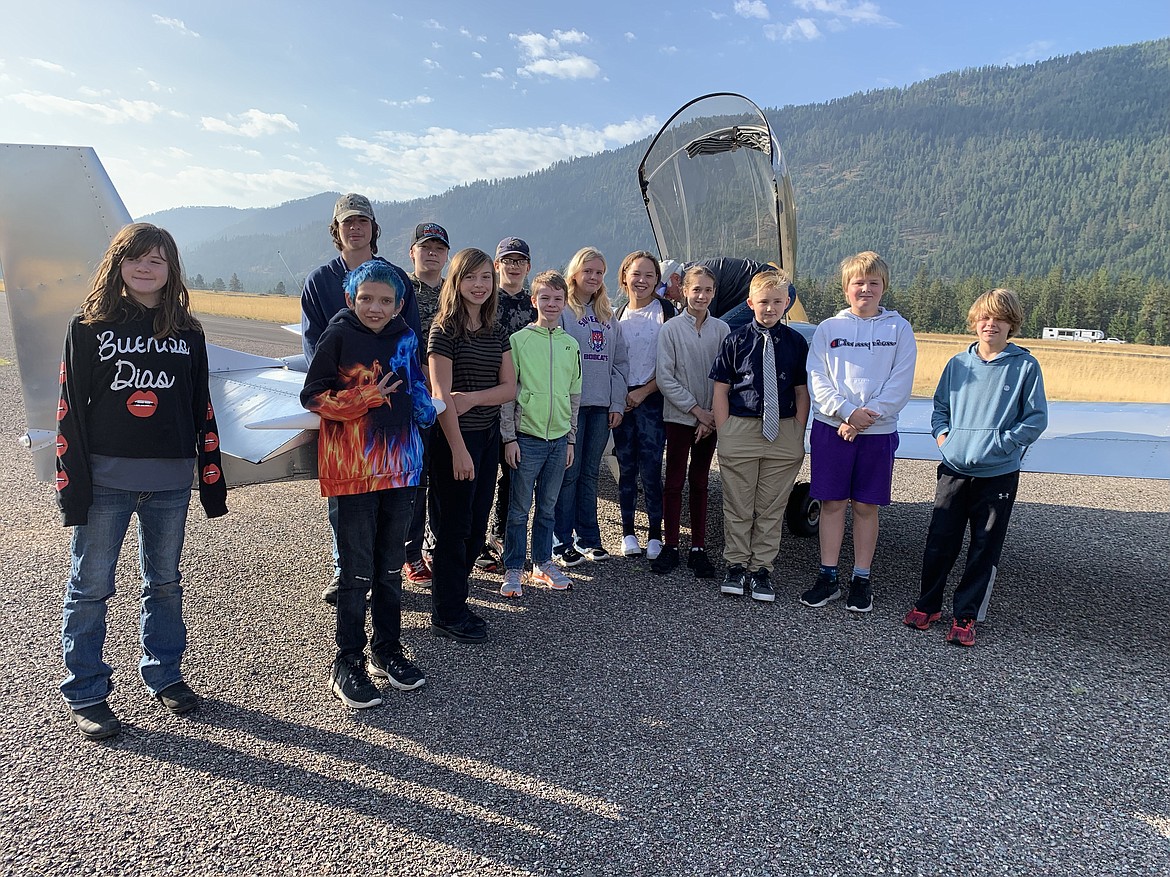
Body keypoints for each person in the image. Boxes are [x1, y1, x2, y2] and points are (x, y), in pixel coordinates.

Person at [55, 222, 228, 741]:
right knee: (90, 587)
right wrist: (74, 485)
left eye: (158, 260)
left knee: (165, 584)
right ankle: (86, 689)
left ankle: (165, 673)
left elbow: (201, 404)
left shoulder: (188, 333)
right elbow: (70, 412)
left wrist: (208, 477)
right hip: (106, 480)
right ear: (118, 264)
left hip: (170, 482)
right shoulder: (87, 328)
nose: (147, 268)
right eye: (137, 258)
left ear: (171, 269)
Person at [301, 260, 436, 708]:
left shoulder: (406, 335)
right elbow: (314, 395)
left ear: (400, 304)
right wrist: (364, 398)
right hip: (354, 469)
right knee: (356, 571)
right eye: (366, 299)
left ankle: (387, 649)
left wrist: (423, 406)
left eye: (385, 300)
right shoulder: (338, 335)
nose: (375, 308)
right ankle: (348, 661)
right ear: (349, 300)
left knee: (391, 566)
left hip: (401, 467)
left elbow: (414, 380)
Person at [905, 288, 1047, 646]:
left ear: (1011, 324)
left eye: (999, 318)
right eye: (984, 317)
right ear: (974, 322)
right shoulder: (958, 364)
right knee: (940, 540)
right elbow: (940, 408)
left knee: (984, 546)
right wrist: (944, 439)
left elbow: (1035, 420)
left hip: (997, 474)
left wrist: (1001, 444)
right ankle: (928, 605)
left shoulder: (1025, 366)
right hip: (953, 468)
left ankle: (965, 616)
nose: (990, 324)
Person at [301, 194, 421, 605]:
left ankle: (390, 574)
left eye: (362, 222)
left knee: (392, 505)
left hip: (390, 415)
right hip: (347, 412)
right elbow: (314, 346)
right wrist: (349, 393)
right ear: (337, 230)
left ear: (373, 228)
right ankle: (347, 571)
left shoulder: (394, 276)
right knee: (347, 503)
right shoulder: (320, 281)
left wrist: (414, 397)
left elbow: (410, 342)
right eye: (347, 223)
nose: (355, 228)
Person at [800, 252, 917, 614]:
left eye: (873, 283)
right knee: (832, 503)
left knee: (866, 506)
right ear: (846, 288)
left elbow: (900, 382)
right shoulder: (829, 329)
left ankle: (861, 578)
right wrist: (847, 412)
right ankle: (828, 576)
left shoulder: (899, 329)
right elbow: (816, 378)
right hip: (832, 428)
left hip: (876, 433)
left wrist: (866, 418)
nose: (865, 289)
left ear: (884, 287)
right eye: (858, 283)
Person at [428, 248, 516, 643]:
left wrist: (474, 398)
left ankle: (456, 597)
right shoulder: (444, 329)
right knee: (454, 527)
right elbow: (440, 395)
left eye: (485, 277)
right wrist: (459, 449)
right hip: (453, 441)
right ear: (456, 281)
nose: (479, 285)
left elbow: (510, 388)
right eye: (470, 277)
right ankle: (447, 611)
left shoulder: (497, 330)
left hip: (486, 436)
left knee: (477, 528)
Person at [709, 271, 809, 602]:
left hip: (783, 430)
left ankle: (762, 569)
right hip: (741, 427)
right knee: (738, 503)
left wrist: (798, 429)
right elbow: (721, 390)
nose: (770, 308)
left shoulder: (796, 344)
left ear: (787, 304)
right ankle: (736, 565)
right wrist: (724, 431)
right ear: (751, 303)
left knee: (771, 506)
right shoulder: (735, 340)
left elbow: (801, 390)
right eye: (763, 302)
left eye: (777, 302)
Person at [499, 271, 582, 596]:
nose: (551, 304)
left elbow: (574, 394)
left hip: (559, 440)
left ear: (565, 303)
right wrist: (509, 438)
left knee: (547, 508)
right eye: (544, 298)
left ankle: (543, 563)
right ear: (533, 301)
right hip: (527, 438)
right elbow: (508, 393)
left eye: (557, 299)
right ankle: (514, 567)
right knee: (519, 510)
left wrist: (571, 439)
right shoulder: (519, 341)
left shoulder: (570, 345)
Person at [652, 265, 730, 577]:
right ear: (684, 290)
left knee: (700, 481)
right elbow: (665, 377)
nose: (701, 295)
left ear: (713, 293)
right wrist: (696, 410)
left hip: (709, 419)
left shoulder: (721, 330)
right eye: (696, 289)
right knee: (673, 481)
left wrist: (710, 416)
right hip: (680, 416)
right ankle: (671, 545)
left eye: (707, 290)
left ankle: (698, 547)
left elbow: (726, 377)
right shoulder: (670, 330)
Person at [552, 247, 628, 567]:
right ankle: (560, 540)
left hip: (600, 406)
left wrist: (617, 401)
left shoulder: (608, 316)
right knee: (567, 472)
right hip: (573, 405)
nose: (594, 277)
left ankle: (589, 539)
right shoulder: (564, 312)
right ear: (574, 274)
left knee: (589, 475)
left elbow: (619, 363)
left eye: (599, 272)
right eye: (588, 271)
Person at [612, 251, 675, 559]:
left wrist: (644, 392)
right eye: (636, 274)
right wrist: (621, 394)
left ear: (657, 280)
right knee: (626, 468)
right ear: (625, 277)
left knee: (651, 469)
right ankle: (627, 532)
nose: (642, 280)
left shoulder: (665, 311)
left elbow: (671, 362)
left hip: (652, 398)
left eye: (649, 275)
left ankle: (654, 533)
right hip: (623, 399)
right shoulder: (616, 313)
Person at [479, 237, 536, 572]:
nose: (513, 266)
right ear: (496, 265)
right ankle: (470, 540)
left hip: (522, 403)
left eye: (520, 260)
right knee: (482, 475)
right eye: (507, 260)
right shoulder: (485, 301)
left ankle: (500, 535)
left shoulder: (535, 306)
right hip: (487, 397)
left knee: (513, 475)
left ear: (528, 267)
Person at [403, 221, 452, 587]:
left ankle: (438, 544)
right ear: (413, 252)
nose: (432, 252)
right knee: (415, 478)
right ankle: (410, 552)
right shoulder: (401, 291)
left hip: (449, 395)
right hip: (414, 395)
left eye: (438, 247)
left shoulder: (455, 292)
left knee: (444, 473)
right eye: (425, 246)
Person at [661, 257, 783, 330]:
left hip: (776, 288)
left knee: (720, 331)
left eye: (666, 292)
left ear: (676, 279)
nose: (667, 297)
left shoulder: (702, 277)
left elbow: (703, 322)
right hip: (772, 288)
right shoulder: (696, 271)